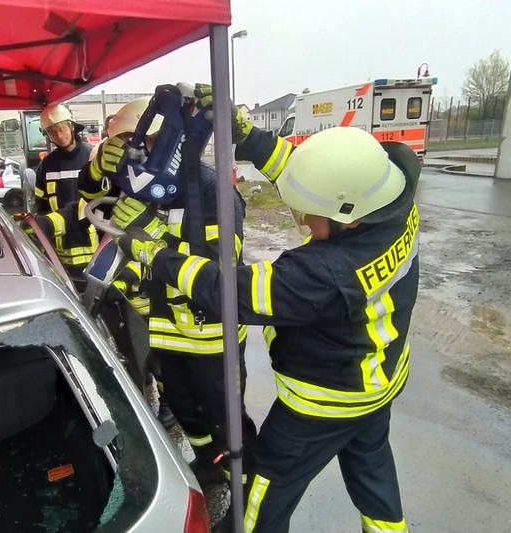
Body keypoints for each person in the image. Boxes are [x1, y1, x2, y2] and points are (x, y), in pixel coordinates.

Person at [118, 86, 420, 533]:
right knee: (372, 474)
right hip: (380, 381)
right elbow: (314, 178)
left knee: (262, 498)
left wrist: (155, 255)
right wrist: (248, 136)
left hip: (324, 402)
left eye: (311, 215)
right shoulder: (394, 205)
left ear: (348, 216)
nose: (304, 221)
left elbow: (230, 291)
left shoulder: (323, 273)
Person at [84, 95, 258, 488]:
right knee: (183, 406)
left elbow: (216, 269)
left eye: (136, 143)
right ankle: (209, 462)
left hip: (211, 336)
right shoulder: (145, 183)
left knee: (226, 420)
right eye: (123, 145)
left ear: (166, 140)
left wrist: (150, 231)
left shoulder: (213, 189)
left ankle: (244, 489)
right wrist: (97, 167)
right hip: (166, 326)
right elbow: (88, 191)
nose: (131, 154)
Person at [34, 104, 93, 215]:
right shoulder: (46, 165)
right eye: (53, 132)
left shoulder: (93, 156)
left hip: (91, 224)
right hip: (59, 225)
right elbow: (41, 205)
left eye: (62, 129)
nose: (59, 136)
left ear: (72, 127)